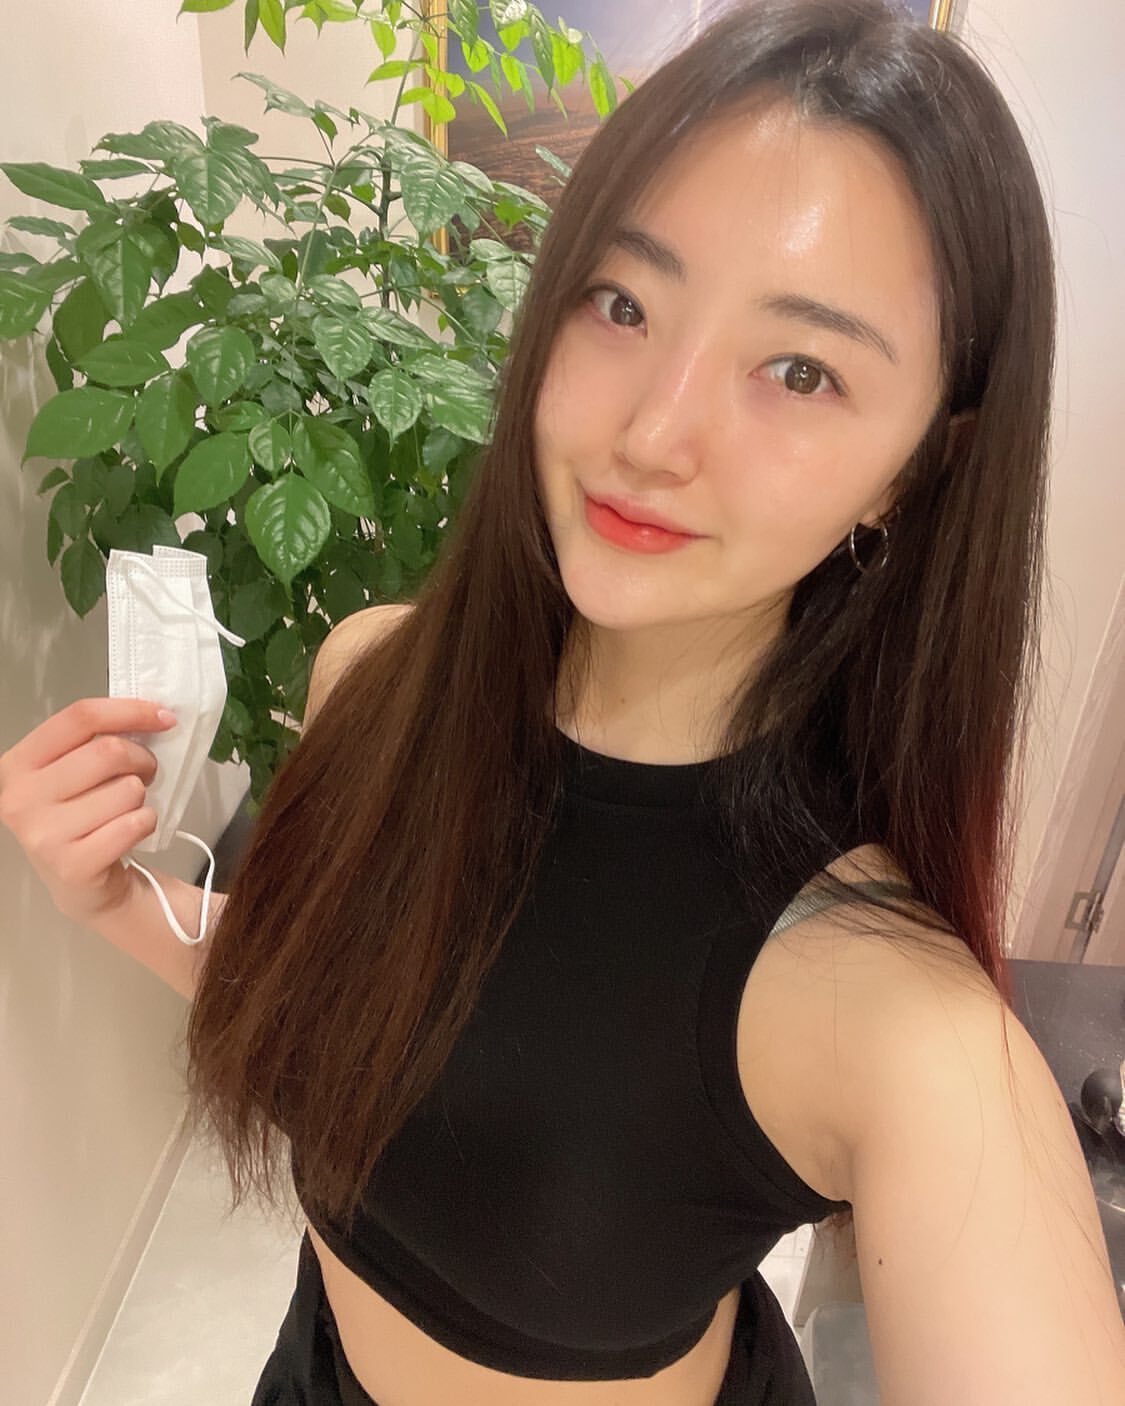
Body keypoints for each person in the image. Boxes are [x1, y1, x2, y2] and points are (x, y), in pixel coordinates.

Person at [3, 0, 1123, 1402]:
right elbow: (377, 1026)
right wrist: (124, 902)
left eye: (801, 371)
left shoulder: (890, 1017)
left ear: (919, 468)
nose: (652, 433)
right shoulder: (374, 678)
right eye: (623, 303)